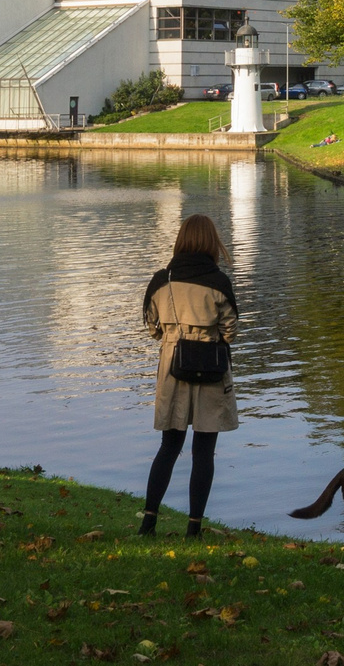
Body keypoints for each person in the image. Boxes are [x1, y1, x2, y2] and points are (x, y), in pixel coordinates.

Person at [140, 214, 238, 537]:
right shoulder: (219, 283)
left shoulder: (162, 280)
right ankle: (194, 528)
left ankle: (148, 523)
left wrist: (172, 335)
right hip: (211, 367)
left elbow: (152, 327)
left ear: (181, 241)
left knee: (169, 447)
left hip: (173, 367)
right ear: (212, 243)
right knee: (204, 451)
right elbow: (230, 331)